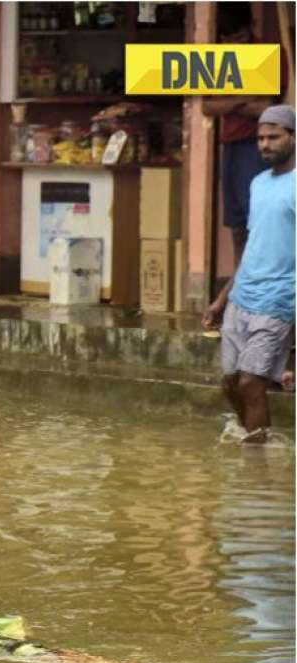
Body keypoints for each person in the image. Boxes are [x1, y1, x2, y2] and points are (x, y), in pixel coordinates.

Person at [203, 104, 295, 444]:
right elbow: (251, 248)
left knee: (251, 383)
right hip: (242, 299)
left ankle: (256, 472)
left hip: (278, 301)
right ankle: (255, 442)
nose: (265, 145)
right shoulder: (258, 184)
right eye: (260, 138)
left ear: (293, 137)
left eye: (274, 137)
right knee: (230, 384)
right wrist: (220, 301)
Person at [201, 4, 287, 321]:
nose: (234, 43)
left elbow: (267, 107)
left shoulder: (267, 53)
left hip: (256, 147)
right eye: (227, 38)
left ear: (250, 27)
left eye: (238, 36)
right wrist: (241, 98)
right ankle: (239, 296)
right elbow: (207, 108)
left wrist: (230, 102)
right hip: (231, 147)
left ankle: (247, 299)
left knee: (258, 226)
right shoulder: (217, 58)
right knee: (237, 226)